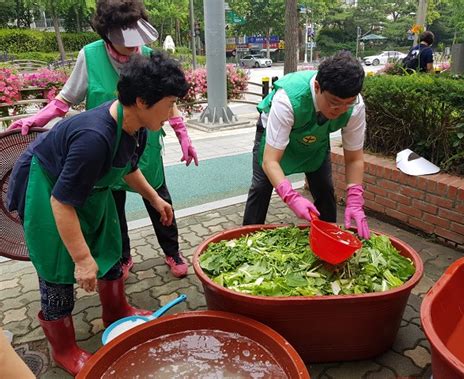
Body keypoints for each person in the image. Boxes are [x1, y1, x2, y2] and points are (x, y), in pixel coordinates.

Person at [6, 51, 189, 376]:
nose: (175, 111)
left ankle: (116, 312)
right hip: (48, 191)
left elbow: (128, 169)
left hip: (91, 192)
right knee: (58, 267)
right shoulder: (94, 137)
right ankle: (63, 349)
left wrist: (155, 199)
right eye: (171, 102)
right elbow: (61, 203)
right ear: (143, 100)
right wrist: (81, 259)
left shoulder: (139, 127)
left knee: (110, 247)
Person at [7, 0, 196, 279]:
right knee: (112, 207)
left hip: (135, 143)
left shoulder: (144, 61)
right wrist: (35, 120)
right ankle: (120, 258)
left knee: (158, 196)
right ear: (108, 34)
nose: (134, 49)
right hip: (100, 150)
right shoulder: (91, 62)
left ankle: (171, 251)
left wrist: (183, 136)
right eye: (126, 41)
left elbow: (166, 103)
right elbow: (64, 100)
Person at [243, 51, 370, 240]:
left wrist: (355, 200)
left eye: (348, 104)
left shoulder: (355, 106)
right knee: (261, 187)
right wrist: (291, 197)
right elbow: (270, 161)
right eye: (335, 103)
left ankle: (329, 239)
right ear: (317, 87)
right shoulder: (287, 98)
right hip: (273, 134)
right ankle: (246, 240)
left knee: (325, 189)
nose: (342, 110)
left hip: (315, 138)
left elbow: (354, 159)